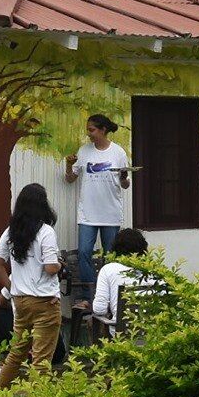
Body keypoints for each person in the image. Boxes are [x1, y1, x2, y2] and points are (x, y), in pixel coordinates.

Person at [0, 183, 62, 389]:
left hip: (20, 302)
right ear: (43, 205)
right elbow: (49, 268)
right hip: (45, 301)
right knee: (41, 359)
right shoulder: (46, 231)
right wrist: (59, 264)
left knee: (16, 353)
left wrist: (12, 288)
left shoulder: (11, 231)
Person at [63, 113, 130, 290]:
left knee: (110, 256)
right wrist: (69, 165)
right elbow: (70, 179)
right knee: (84, 253)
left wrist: (124, 176)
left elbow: (125, 185)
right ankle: (88, 295)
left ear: (103, 130)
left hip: (111, 213)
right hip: (88, 214)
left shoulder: (118, 152)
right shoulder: (84, 151)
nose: (89, 133)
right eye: (88, 130)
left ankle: (108, 293)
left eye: (91, 130)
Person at [85, 227, 148, 327]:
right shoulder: (153, 273)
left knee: (91, 322)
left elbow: (99, 309)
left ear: (115, 248)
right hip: (153, 336)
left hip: (121, 336)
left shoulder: (109, 270)